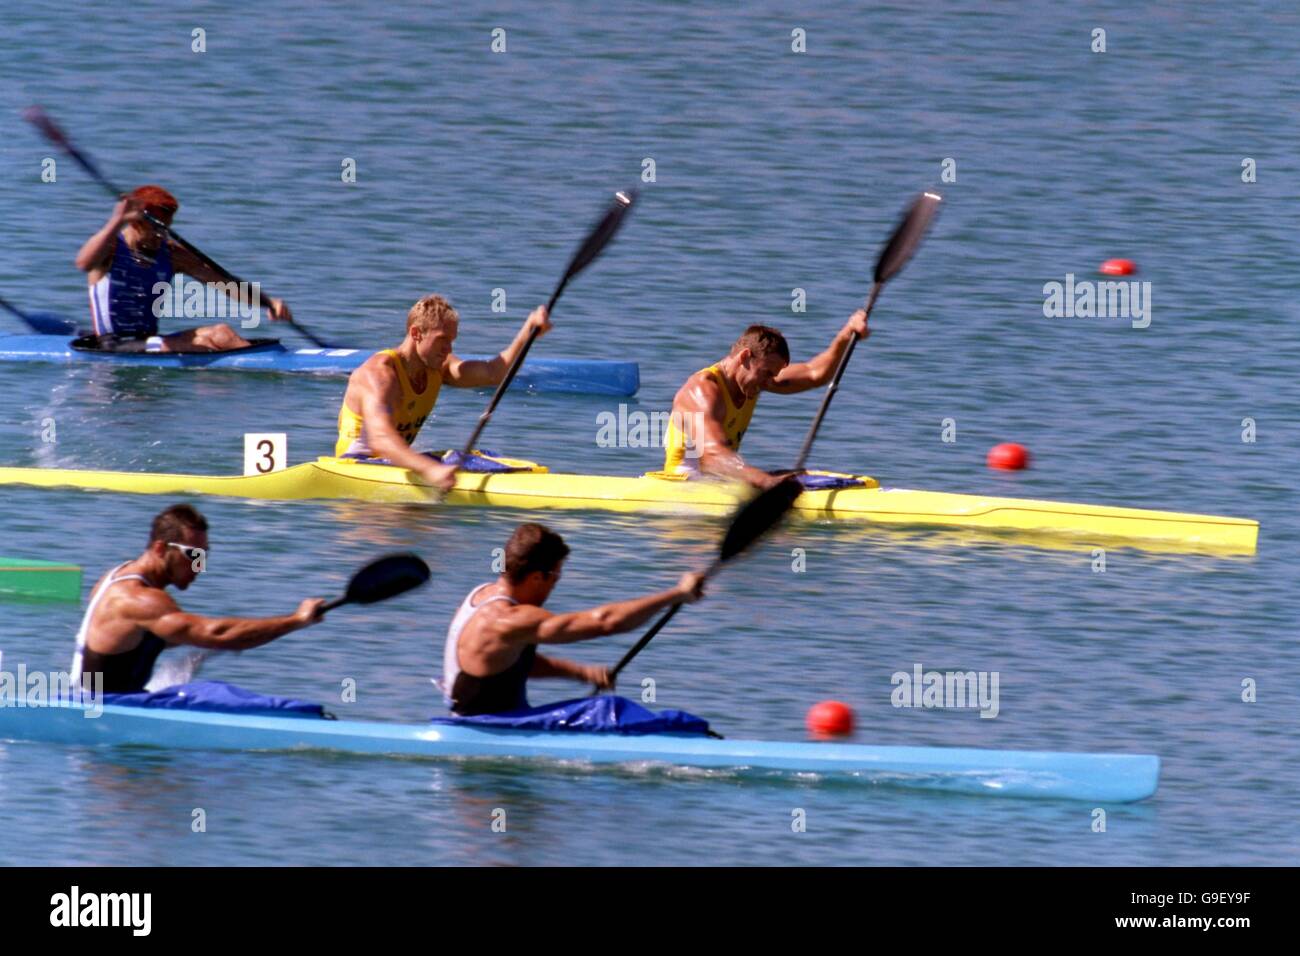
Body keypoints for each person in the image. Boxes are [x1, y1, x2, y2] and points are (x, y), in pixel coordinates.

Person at [442, 523, 705, 716]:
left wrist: (581, 673)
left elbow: (509, 662)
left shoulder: (479, 595)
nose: (556, 585)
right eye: (556, 577)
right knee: (611, 710)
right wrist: (677, 594)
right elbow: (606, 622)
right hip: (493, 727)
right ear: (536, 577)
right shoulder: (509, 619)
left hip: (489, 720)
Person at [71, 504, 324, 694]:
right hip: (107, 712)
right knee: (223, 697)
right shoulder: (138, 599)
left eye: (205, 556)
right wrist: (296, 620)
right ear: (160, 549)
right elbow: (218, 634)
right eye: (194, 556)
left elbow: (127, 641)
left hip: (96, 703)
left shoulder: (115, 575)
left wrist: (206, 645)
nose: (200, 567)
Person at [334, 293, 552, 492]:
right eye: (442, 340)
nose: (449, 349)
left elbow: (493, 373)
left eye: (452, 341)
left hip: (395, 466)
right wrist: (430, 470)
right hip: (356, 466)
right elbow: (380, 439)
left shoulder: (439, 368)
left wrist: (528, 331)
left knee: (477, 459)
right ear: (416, 333)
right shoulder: (379, 374)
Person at [661, 313, 870, 488]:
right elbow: (712, 458)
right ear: (745, 358)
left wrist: (845, 336)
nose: (770, 382)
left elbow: (814, 373)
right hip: (684, 486)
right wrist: (767, 482)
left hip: (721, 483)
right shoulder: (702, 390)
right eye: (767, 373)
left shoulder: (754, 380)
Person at [75, 185, 293, 351]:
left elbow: (224, 283)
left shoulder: (171, 254)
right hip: (114, 346)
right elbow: (83, 263)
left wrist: (267, 303)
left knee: (221, 333)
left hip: (149, 342)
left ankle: (262, 368)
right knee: (206, 343)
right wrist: (116, 220)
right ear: (135, 221)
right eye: (157, 228)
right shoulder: (110, 248)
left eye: (167, 228)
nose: (162, 235)